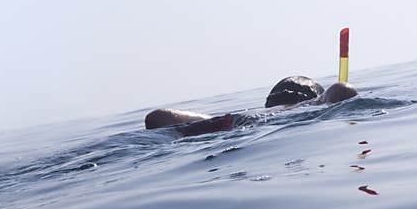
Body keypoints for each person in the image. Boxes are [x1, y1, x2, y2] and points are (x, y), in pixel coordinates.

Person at [144, 75, 358, 135]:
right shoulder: (306, 106)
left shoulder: (247, 113)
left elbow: (157, 117)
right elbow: (342, 89)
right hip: (260, 127)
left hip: (231, 122)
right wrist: (325, 104)